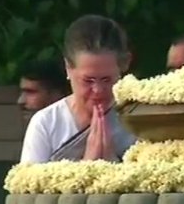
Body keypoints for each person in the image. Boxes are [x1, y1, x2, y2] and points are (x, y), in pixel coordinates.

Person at [19, 14, 136, 163]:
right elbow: (29, 177)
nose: (98, 90)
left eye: (107, 80)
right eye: (88, 81)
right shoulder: (46, 123)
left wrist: (113, 162)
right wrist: (88, 164)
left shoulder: (137, 120)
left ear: (124, 65)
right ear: (68, 68)